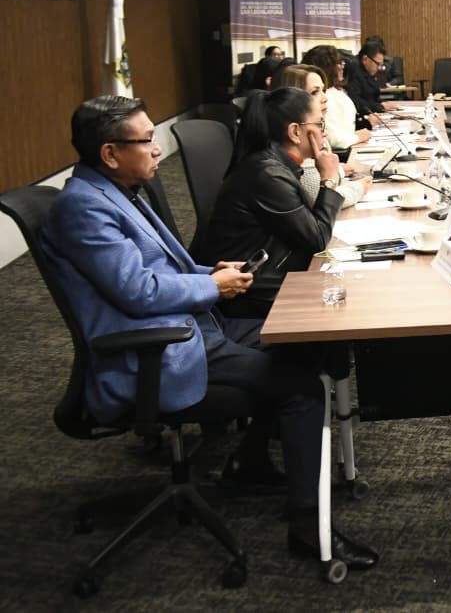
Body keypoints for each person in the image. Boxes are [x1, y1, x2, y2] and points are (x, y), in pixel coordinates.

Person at [40, 95, 378, 569]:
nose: (157, 149)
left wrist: (210, 272)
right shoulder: (84, 209)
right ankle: (309, 528)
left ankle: (250, 462)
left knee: (303, 343)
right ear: (111, 153)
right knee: (302, 389)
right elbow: (137, 292)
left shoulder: (116, 190)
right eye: (146, 140)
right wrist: (210, 286)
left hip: (193, 324)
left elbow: (157, 268)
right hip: (160, 350)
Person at [198, 87, 344, 320]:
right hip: (252, 291)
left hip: (268, 273)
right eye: (320, 124)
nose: (323, 132)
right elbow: (316, 239)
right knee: (341, 296)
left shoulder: (273, 163)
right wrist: (328, 180)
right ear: (295, 132)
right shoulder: (268, 174)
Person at [275, 64, 371, 207]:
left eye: (323, 90)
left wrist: (336, 172)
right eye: (315, 92)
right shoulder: (297, 141)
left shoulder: (315, 130)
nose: (325, 98)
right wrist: (359, 188)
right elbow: (317, 199)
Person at [302, 45, 372, 154]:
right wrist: (358, 136)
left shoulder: (334, 93)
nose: (342, 66)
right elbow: (335, 140)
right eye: (338, 63)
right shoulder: (324, 98)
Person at [345, 40, 401, 118]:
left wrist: (383, 104)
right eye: (377, 64)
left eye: (381, 64)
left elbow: (373, 96)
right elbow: (355, 101)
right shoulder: (353, 72)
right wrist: (379, 106)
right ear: (365, 59)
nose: (379, 68)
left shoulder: (369, 72)